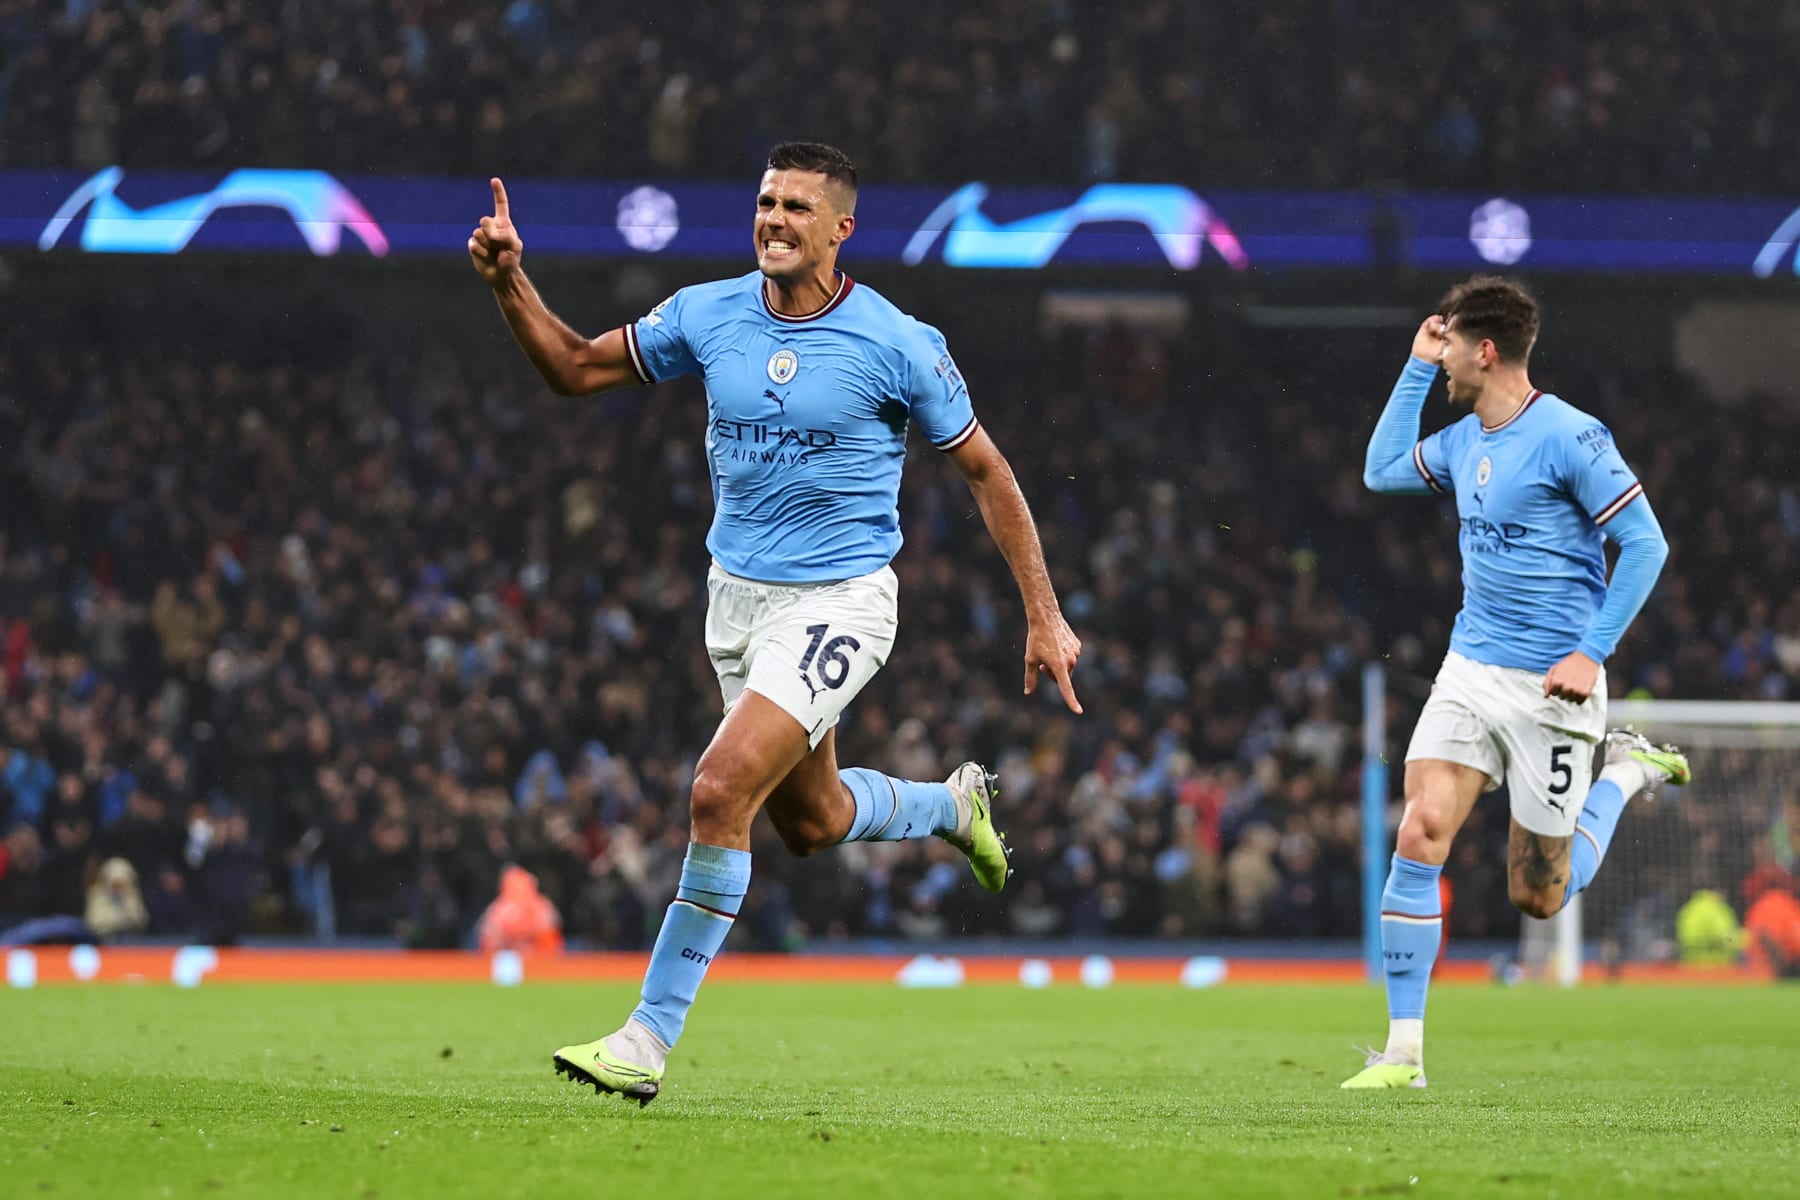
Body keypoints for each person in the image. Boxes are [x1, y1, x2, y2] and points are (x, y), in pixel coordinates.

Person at [469, 141, 1082, 1104]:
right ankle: (952, 808)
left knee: (718, 793)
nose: (774, 221)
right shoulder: (707, 313)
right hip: (738, 604)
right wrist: (512, 284)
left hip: (841, 602)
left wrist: (1043, 615)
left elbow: (987, 472)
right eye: (765, 202)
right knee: (810, 821)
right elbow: (576, 370)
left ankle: (646, 1038)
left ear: (842, 228)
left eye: (798, 207)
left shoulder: (898, 340)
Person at [1348, 276, 1688, 1089]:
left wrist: (1592, 651)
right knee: (1420, 830)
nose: (1446, 357)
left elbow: (1647, 545)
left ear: (1487, 350)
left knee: (1540, 894)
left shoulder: (1573, 436)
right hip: (1470, 669)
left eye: (1451, 346)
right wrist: (1416, 367)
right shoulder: (1464, 439)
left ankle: (1627, 771)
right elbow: (1381, 470)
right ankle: (1404, 1054)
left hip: (1555, 688)